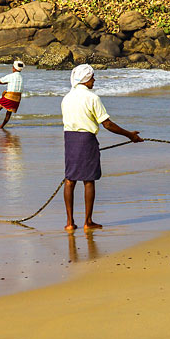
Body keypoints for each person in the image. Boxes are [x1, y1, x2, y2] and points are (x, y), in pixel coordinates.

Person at [61, 64, 143, 231]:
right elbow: (107, 124)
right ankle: (88, 221)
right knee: (89, 180)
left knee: (70, 180)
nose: (94, 80)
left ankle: (70, 223)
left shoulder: (67, 98)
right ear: (86, 79)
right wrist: (130, 135)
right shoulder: (92, 98)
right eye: (92, 77)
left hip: (69, 139)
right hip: (86, 139)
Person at [0, 60, 25, 129]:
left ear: (14, 68)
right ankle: (1, 126)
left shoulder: (11, 76)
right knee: (9, 112)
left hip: (9, 96)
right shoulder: (21, 77)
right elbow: (5, 82)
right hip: (17, 98)